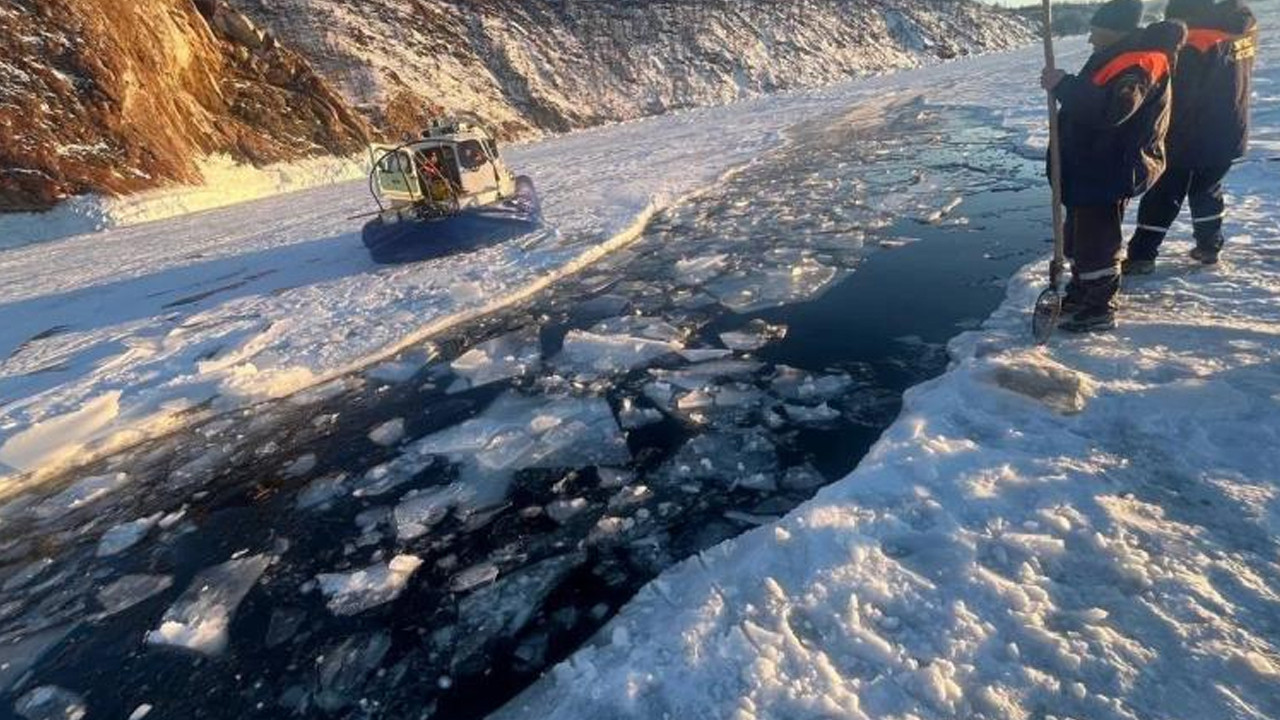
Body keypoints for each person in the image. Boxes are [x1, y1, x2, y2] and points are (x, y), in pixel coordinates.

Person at [1041, 0, 1186, 332]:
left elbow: (1112, 109)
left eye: (1095, 33)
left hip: (1109, 168)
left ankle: (1099, 308)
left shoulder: (1140, 63)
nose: (1091, 40)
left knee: (1097, 242)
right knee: (1078, 237)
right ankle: (1081, 292)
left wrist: (1064, 85)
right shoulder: (1120, 56)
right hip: (1093, 164)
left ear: (1114, 31)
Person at [1124, 0, 1257, 271]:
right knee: (1206, 186)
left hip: (1189, 132)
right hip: (1229, 129)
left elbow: (1181, 93)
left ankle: (1141, 256)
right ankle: (1209, 246)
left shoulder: (1193, 41)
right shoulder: (1243, 26)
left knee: (1164, 191)